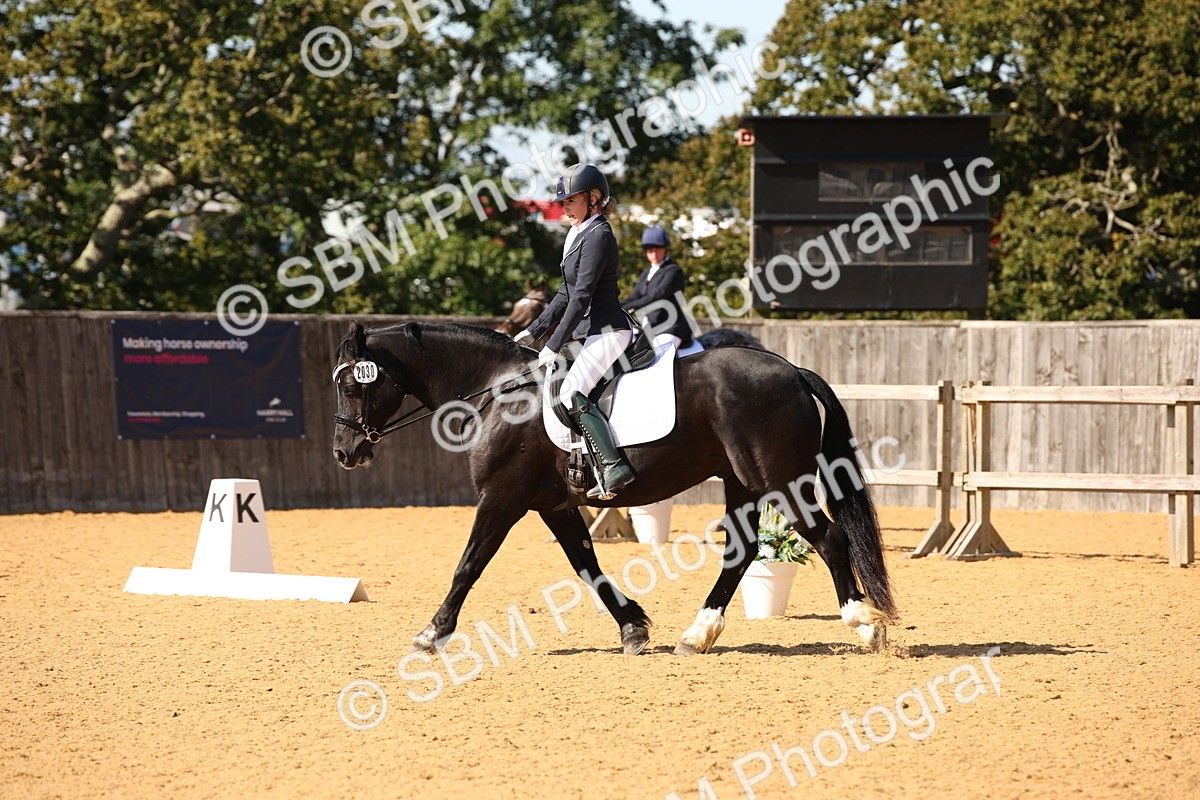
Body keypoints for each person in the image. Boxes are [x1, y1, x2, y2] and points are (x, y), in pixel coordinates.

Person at [514, 164, 635, 500]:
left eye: (570, 199)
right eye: (562, 200)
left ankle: (614, 466)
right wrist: (533, 331)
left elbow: (582, 295)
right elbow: (564, 294)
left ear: (593, 199)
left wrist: (552, 345)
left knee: (570, 393)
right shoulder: (578, 233)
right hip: (589, 332)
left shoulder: (599, 235)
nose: (563, 206)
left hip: (609, 330)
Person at [621, 225, 693, 349]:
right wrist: (616, 307)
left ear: (665, 249)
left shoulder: (673, 271)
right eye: (650, 250)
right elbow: (634, 296)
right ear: (645, 252)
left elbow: (656, 295)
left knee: (660, 355)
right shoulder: (647, 272)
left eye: (658, 249)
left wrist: (629, 307)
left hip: (670, 328)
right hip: (650, 328)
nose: (654, 253)